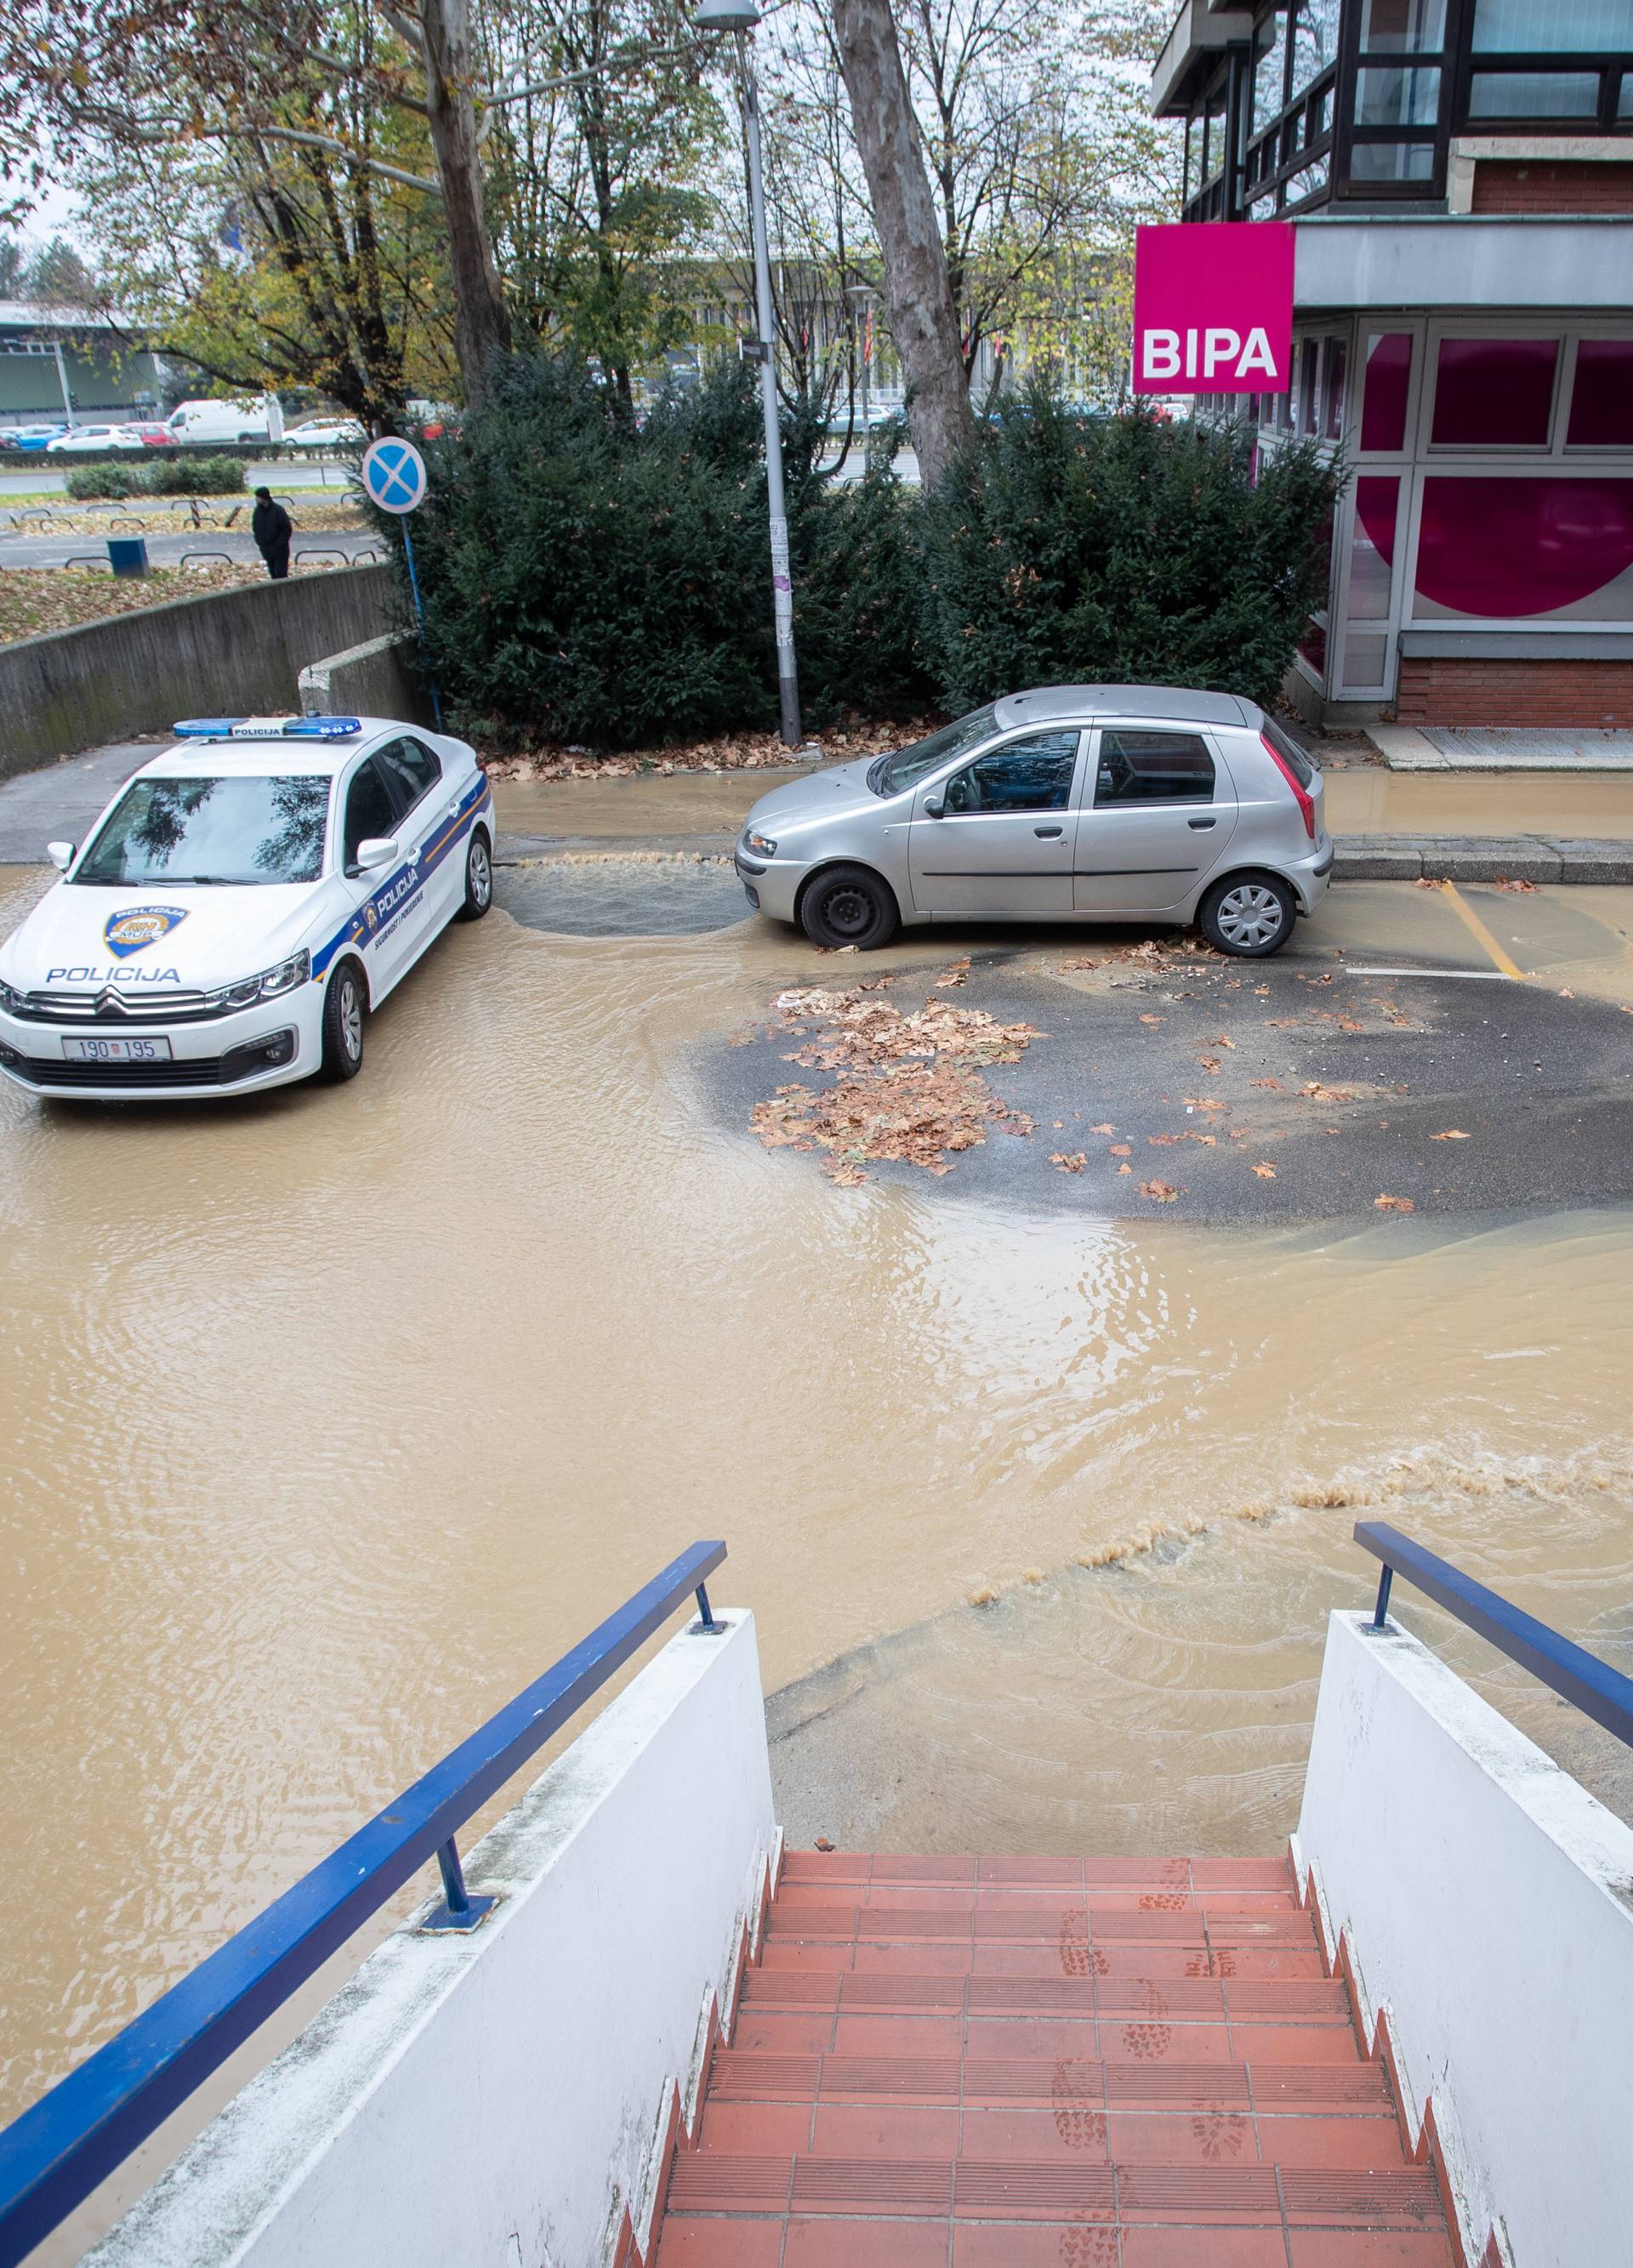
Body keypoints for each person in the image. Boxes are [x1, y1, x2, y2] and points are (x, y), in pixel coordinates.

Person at [251, 486, 293, 581]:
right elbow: (255, 528)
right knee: (273, 574)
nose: (256, 499)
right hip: (266, 549)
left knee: (281, 574)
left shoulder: (278, 510)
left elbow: (287, 529)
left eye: (258, 497)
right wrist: (260, 542)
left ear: (264, 497)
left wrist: (279, 544)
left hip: (280, 550)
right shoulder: (257, 511)